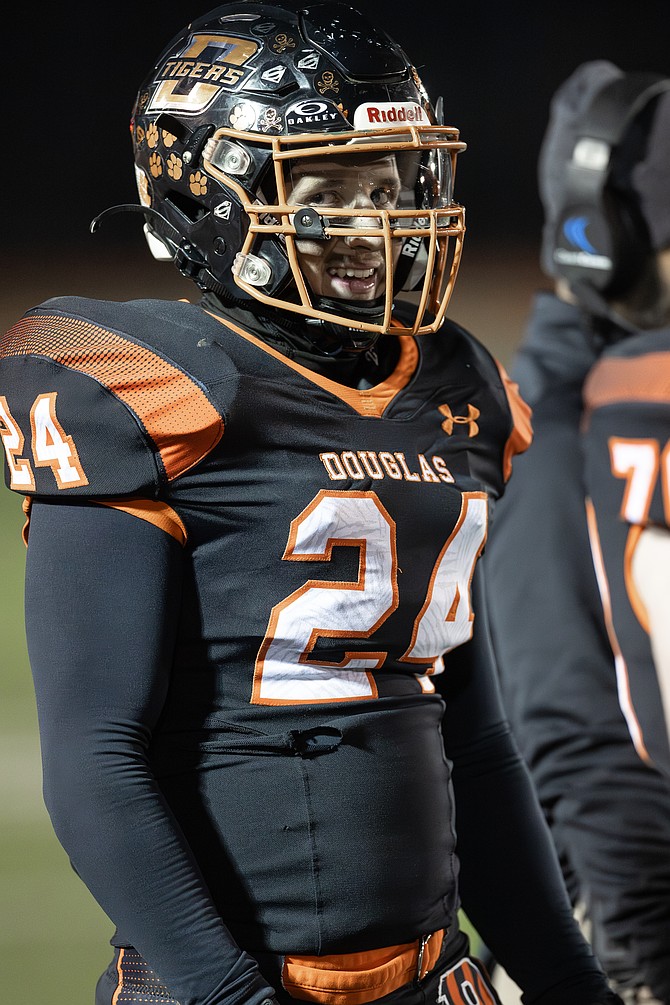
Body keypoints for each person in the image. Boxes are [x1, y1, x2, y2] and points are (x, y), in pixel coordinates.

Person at [0, 6, 623, 1005]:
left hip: (433, 976)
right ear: (210, 197)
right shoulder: (145, 381)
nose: (371, 223)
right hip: (224, 984)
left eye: (386, 184)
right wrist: (229, 996)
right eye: (326, 189)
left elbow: (476, 744)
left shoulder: (453, 390)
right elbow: (94, 759)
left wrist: (565, 983)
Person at [485, 60, 670, 1005]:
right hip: (614, 940)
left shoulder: (634, 403)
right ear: (609, 245)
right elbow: (575, 738)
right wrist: (640, 964)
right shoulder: (551, 439)